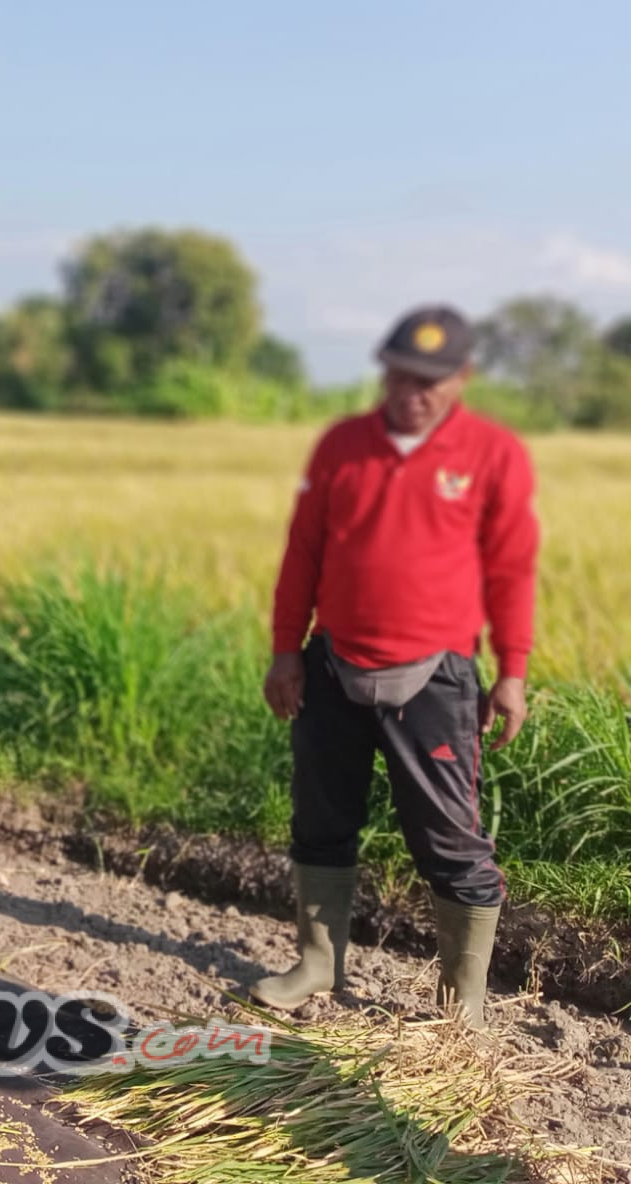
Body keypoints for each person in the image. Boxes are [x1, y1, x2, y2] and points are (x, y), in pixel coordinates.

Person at [253, 304, 537, 1030]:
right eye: (401, 374)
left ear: (462, 379)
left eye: (430, 380)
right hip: (332, 667)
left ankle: (459, 1005)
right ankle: (318, 963)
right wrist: (288, 650)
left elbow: (511, 569)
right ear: (384, 370)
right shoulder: (342, 446)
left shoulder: (491, 453)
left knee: (450, 841)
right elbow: (304, 552)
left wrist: (512, 671)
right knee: (321, 819)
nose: (412, 391)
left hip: (434, 678)